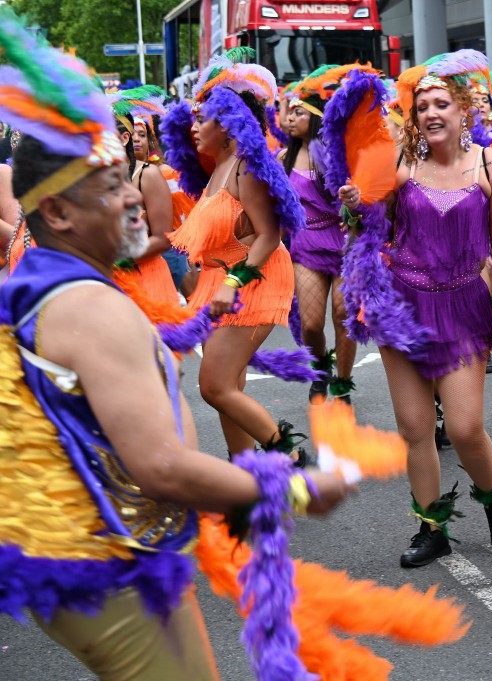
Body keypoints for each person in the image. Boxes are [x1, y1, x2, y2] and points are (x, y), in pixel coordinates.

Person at [0, 17, 348, 678]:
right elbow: (160, 466)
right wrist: (288, 488)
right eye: (107, 187)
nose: (133, 196)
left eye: (126, 177)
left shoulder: (46, 285)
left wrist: (200, 310)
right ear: (59, 214)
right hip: (112, 560)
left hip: (107, 551)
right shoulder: (94, 308)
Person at [338, 50, 492, 567]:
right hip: (401, 306)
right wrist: (358, 204)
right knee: (415, 426)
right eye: (421, 105)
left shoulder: (491, 165)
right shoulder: (400, 164)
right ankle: (431, 527)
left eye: (441, 102)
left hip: (464, 304)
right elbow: (367, 225)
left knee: (466, 427)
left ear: (464, 109)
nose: (430, 113)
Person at [164, 53, 307, 461]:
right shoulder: (219, 167)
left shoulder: (247, 168)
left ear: (226, 126)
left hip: (251, 281)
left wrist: (232, 283)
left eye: (201, 119)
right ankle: (246, 474)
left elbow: (269, 235)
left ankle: (291, 457)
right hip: (218, 283)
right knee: (229, 388)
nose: (193, 127)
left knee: (215, 386)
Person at [279, 67, 358, 404]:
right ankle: (322, 366)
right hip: (306, 244)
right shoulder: (283, 158)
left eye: (299, 111)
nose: (290, 117)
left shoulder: (338, 155)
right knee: (311, 325)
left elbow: (364, 193)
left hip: (343, 243)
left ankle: (341, 384)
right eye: (290, 110)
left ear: (314, 117)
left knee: (343, 316)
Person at [110, 100, 179, 307]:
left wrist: (118, 262)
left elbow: (163, 238)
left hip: (146, 282)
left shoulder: (147, 175)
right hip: (106, 285)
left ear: (124, 138)